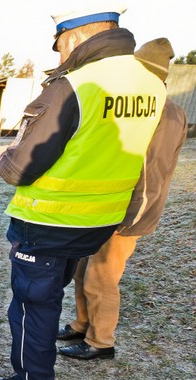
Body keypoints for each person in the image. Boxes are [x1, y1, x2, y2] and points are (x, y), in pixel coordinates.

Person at [0, 4, 168, 380]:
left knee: (33, 305)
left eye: (58, 44)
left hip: (49, 223)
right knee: (52, 294)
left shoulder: (74, 84)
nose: (59, 54)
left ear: (72, 35)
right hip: (99, 221)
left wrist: (1, 156)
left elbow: (21, 169)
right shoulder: (150, 82)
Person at [56, 38, 189, 360]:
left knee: (101, 278)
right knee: (82, 269)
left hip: (125, 214)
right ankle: (82, 324)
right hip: (105, 207)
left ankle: (101, 342)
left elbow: (152, 172)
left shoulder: (163, 113)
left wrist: (129, 218)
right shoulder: (141, 102)